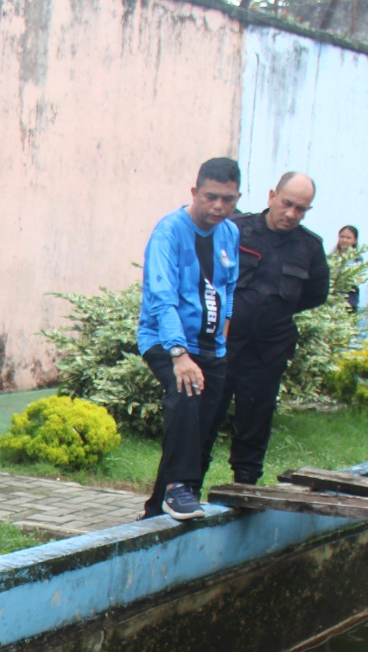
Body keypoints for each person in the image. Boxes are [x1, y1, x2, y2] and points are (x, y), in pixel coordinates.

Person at [204, 173, 330, 487]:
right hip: (223, 346)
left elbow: (317, 293)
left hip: (268, 352)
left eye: (301, 209)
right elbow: (207, 276)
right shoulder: (235, 231)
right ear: (272, 195)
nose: (291, 214)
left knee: (255, 422)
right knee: (204, 418)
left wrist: (274, 311)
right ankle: (188, 486)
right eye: (287, 204)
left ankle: (245, 489)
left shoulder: (310, 247)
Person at [136, 157, 242, 521]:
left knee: (202, 425)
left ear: (237, 197)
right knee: (185, 393)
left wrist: (221, 341)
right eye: (211, 197)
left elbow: (227, 291)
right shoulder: (169, 231)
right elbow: (161, 295)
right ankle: (178, 487)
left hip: (210, 346)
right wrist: (179, 354)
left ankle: (158, 509)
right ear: (195, 192)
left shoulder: (230, 233)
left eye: (228, 200)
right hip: (165, 341)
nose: (218, 206)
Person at [334, 225, 360, 313]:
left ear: (355, 240)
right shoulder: (332, 257)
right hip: (332, 301)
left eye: (348, 238)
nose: (344, 240)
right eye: (342, 237)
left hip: (349, 302)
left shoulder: (357, 259)